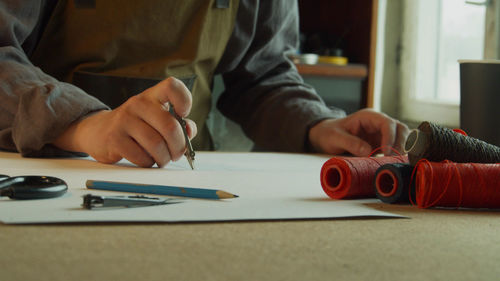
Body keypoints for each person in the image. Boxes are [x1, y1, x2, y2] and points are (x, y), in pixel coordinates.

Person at [0, 0, 409, 168]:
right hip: (48, 178)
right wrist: (84, 122)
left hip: (184, 185)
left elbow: (262, 74)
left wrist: (318, 124)